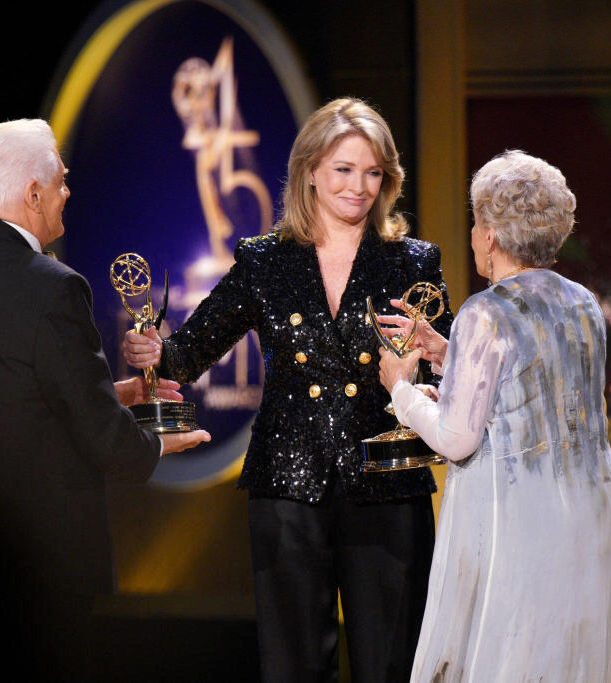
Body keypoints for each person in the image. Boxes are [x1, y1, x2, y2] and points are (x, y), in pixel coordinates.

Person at [123, 98, 453, 681]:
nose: (359, 187)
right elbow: (190, 350)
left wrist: (437, 349)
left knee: (392, 663)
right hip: (288, 486)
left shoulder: (413, 262)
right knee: (294, 665)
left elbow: (453, 370)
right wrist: (154, 353)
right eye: (344, 170)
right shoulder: (264, 261)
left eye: (373, 173)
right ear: (309, 172)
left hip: (386, 486)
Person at [0, 118, 210, 680]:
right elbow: (101, 438)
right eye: (62, 181)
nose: (68, 192)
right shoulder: (53, 284)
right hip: (39, 561)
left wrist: (108, 394)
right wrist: (154, 442)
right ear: (33, 193)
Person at [378, 150, 611, 681]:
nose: (472, 235)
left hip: (519, 520)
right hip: (590, 511)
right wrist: (450, 353)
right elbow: (532, 383)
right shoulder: (584, 303)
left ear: (489, 235)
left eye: (475, 222)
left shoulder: (487, 311)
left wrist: (402, 389)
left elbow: (457, 437)